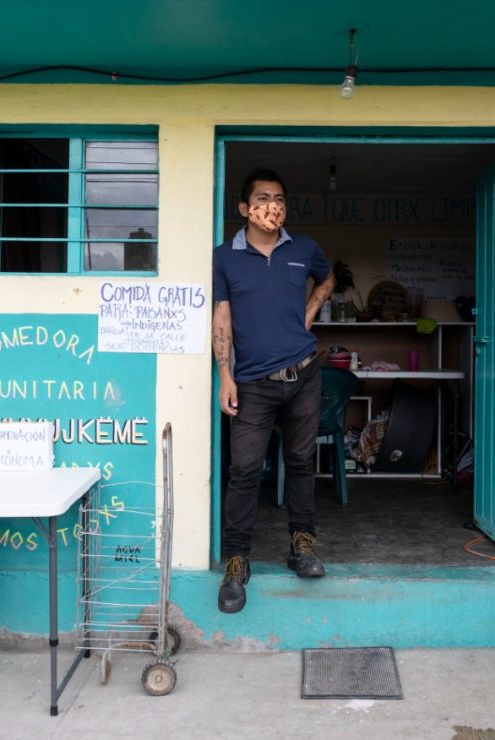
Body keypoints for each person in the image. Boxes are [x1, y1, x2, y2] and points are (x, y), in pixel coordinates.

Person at [211, 167, 335, 614]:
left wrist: (311, 309)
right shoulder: (224, 257)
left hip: (303, 375)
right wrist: (225, 375)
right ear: (245, 209)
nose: (273, 206)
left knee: (302, 462)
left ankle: (302, 546)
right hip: (253, 384)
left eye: (279, 197)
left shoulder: (303, 249)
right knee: (244, 470)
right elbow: (221, 319)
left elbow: (327, 278)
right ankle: (237, 561)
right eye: (263, 198)